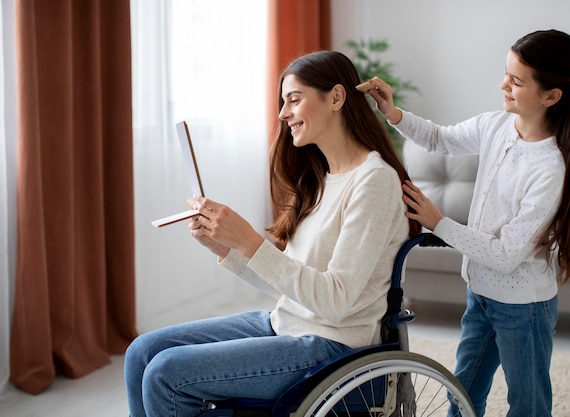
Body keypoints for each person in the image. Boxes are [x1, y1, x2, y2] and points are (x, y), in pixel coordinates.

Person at [124, 50, 421, 417]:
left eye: (293, 100)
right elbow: (291, 287)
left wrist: (248, 240)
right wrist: (226, 246)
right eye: (283, 102)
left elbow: (335, 302)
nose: (283, 113)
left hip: (334, 343)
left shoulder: (373, 181)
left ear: (337, 98)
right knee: (141, 353)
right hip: (288, 322)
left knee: (166, 374)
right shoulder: (321, 179)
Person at [366, 29, 570, 417]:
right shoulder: (495, 126)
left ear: (551, 96)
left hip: (523, 307)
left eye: (517, 81)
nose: (503, 84)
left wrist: (438, 222)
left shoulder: (550, 168)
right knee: (462, 391)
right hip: (480, 294)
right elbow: (439, 138)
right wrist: (393, 113)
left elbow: (507, 254)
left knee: (529, 405)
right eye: (506, 73)